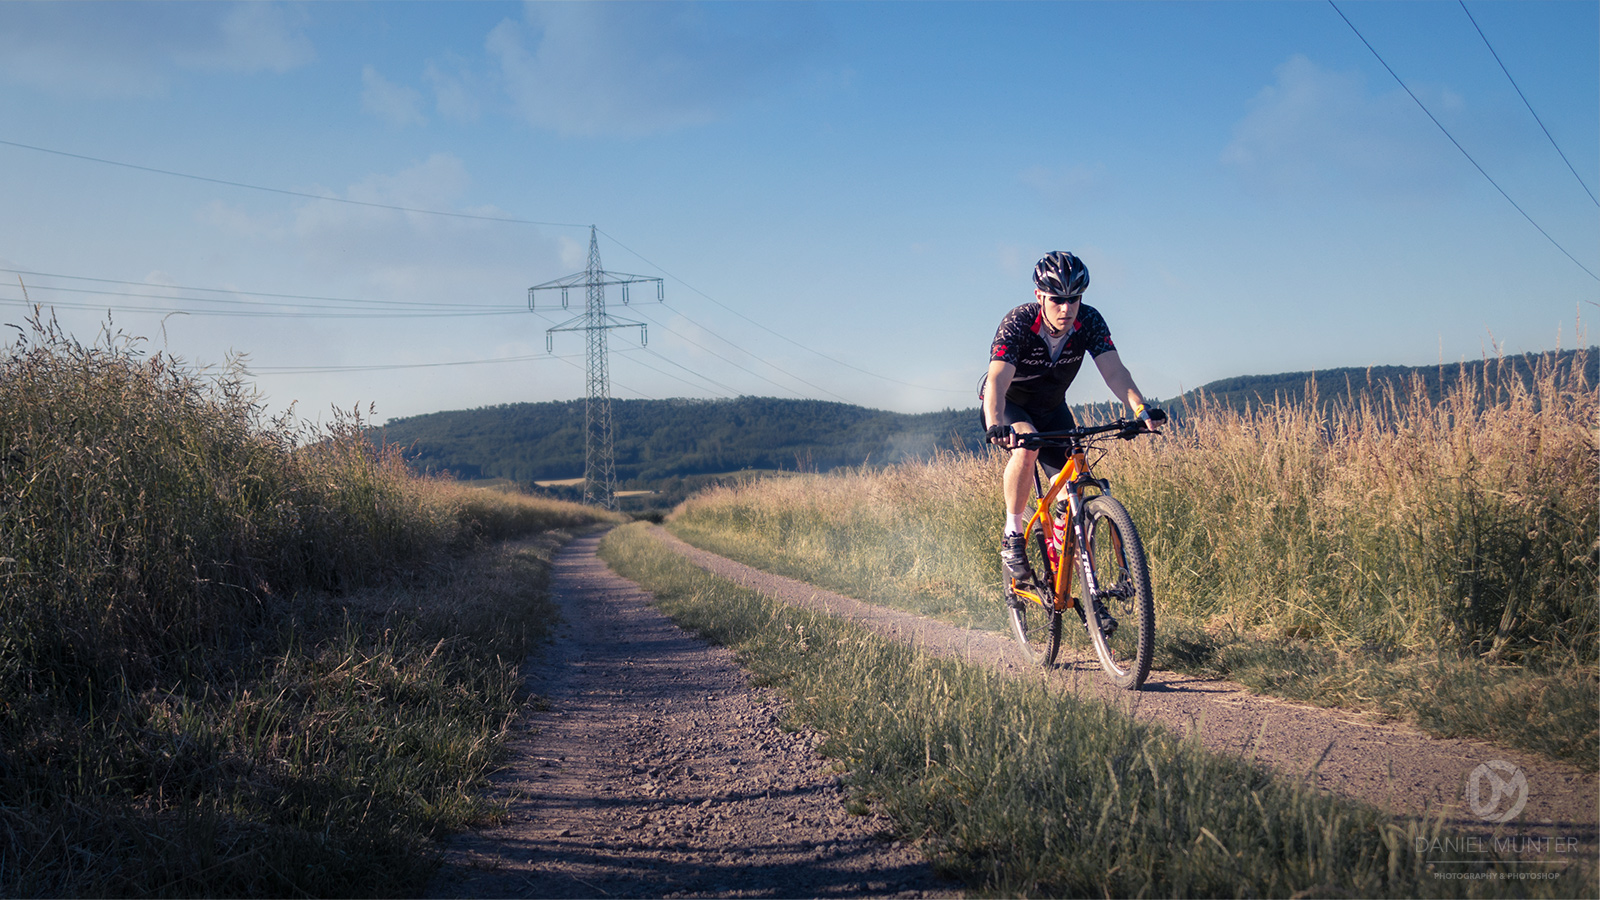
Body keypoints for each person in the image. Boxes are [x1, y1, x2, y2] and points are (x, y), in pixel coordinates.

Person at [981, 251, 1164, 585]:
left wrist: (1140, 409)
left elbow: (1114, 371)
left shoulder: (1089, 321)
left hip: (1052, 408)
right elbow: (997, 380)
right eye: (1057, 300)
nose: (1066, 309)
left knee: (1074, 490)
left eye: (1073, 299)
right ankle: (1013, 533)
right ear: (1039, 296)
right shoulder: (1019, 322)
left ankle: (1076, 579)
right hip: (1011, 406)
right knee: (1026, 447)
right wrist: (996, 424)